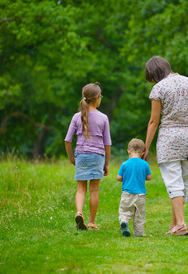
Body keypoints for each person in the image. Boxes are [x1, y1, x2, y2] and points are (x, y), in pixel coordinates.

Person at [144, 56, 188, 236]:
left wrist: (146, 147)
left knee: (174, 182)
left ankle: (180, 224)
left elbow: (153, 122)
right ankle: (174, 225)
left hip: (169, 139)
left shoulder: (159, 88)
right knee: (182, 183)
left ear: (155, 74)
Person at [64, 83, 111, 230]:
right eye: (100, 96)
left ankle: (79, 212)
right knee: (94, 189)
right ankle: (91, 222)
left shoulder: (76, 117)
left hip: (81, 156)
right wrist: (106, 164)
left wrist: (72, 158)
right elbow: (107, 144)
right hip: (97, 156)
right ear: (97, 98)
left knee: (81, 189)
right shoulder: (103, 118)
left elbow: (67, 140)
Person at [117, 138, 152, 237]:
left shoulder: (124, 164)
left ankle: (124, 221)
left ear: (128, 151)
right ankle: (139, 233)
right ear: (142, 153)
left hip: (127, 193)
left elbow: (118, 177)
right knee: (139, 215)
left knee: (125, 210)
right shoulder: (145, 164)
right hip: (140, 194)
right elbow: (149, 177)